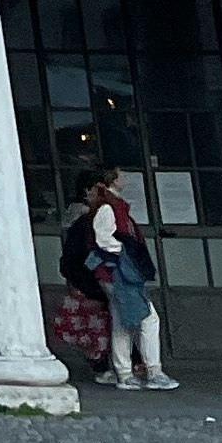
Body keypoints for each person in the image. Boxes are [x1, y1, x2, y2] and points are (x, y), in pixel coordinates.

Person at [87, 168, 179, 393]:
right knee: (147, 318)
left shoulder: (109, 205)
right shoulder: (109, 207)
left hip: (112, 272)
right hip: (118, 273)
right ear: (113, 180)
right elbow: (104, 239)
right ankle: (153, 371)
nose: (124, 180)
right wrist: (125, 251)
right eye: (121, 176)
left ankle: (125, 373)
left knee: (123, 322)